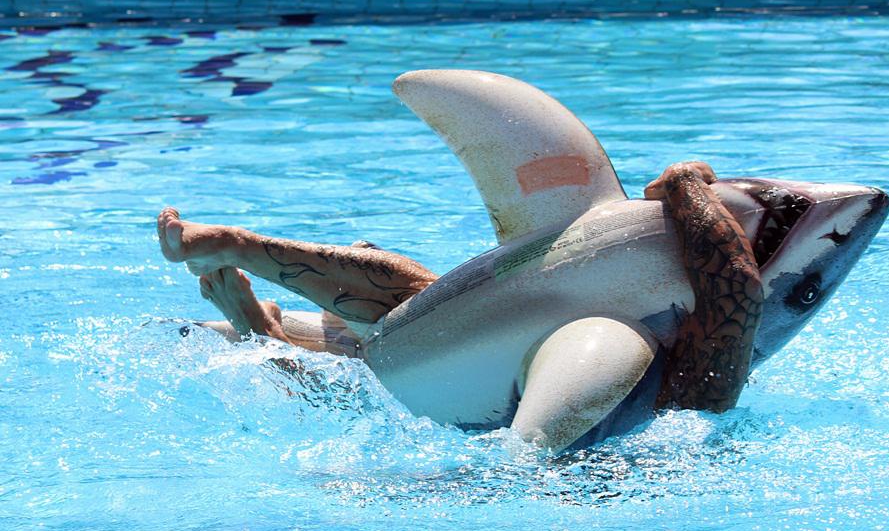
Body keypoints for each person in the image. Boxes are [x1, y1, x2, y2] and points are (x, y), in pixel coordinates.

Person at [157, 161, 762, 414]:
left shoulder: (698, 392)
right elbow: (733, 300)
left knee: (398, 356)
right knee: (398, 361)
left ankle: (251, 293)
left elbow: (737, 288)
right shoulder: (697, 395)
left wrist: (685, 185)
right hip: (516, 435)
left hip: (507, 427)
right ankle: (260, 322)